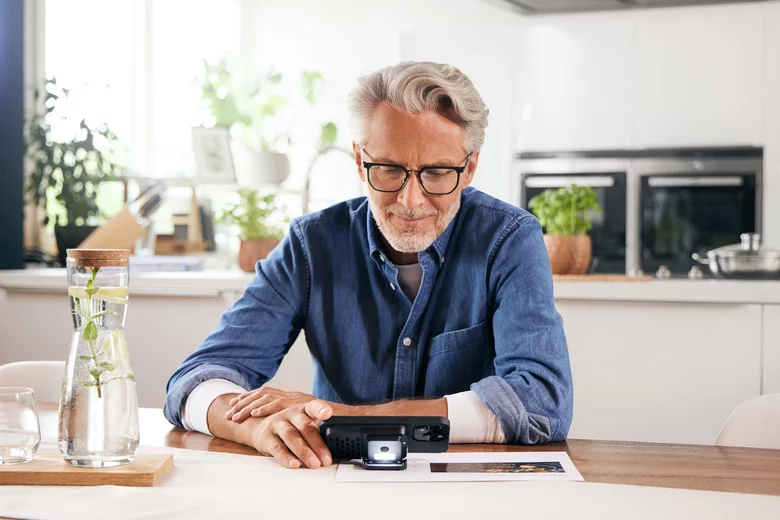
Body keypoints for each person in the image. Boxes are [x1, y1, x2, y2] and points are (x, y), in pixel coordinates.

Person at [164, 61, 573, 469]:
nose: (411, 201)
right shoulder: (312, 244)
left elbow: (542, 402)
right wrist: (257, 429)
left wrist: (346, 418)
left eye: (436, 173)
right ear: (360, 160)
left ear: (469, 168)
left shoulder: (509, 239)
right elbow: (194, 381)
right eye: (390, 169)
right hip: (331, 483)